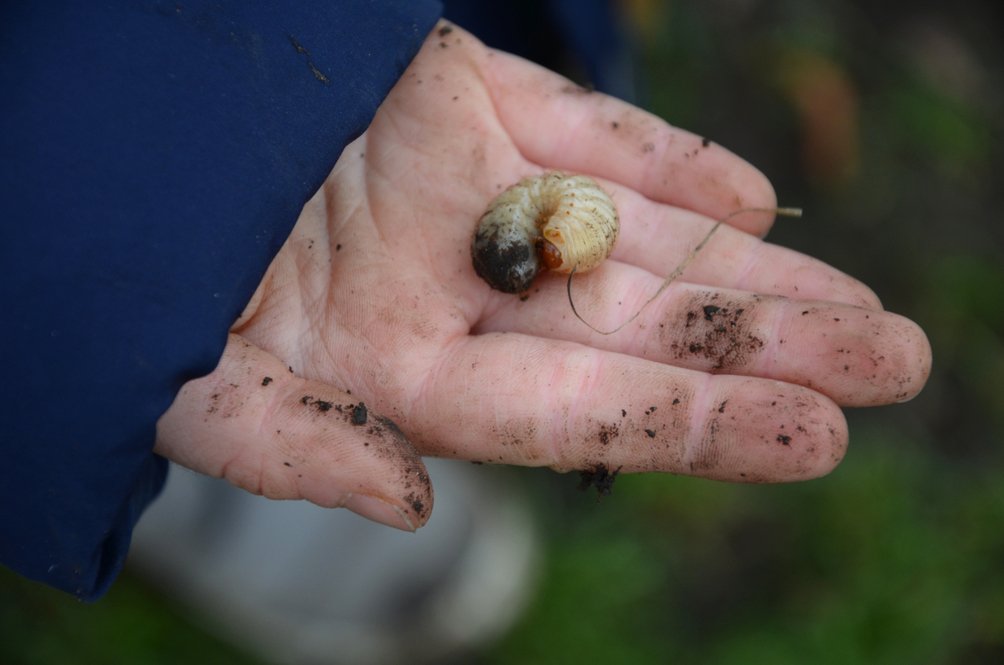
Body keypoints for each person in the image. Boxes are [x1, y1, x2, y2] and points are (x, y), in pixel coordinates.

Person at [0, 3, 931, 602]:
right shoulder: (527, 232)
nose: (525, 264)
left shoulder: (545, 227)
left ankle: (131, 425)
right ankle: (137, 433)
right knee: (145, 385)